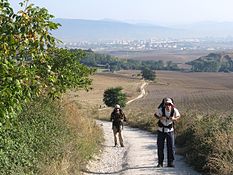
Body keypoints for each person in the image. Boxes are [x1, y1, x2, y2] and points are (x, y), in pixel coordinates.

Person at [154, 98, 181, 168]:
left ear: (172, 105)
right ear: (164, 105)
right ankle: (160, 163)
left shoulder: (174, 110)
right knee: (160, 147)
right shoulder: (161, 110)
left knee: (171, 147)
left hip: (170, 131)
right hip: (161, 131)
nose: (168, 106)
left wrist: (174, 119)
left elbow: (178, 116)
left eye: (169, 104)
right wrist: (160, 117)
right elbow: (155, 115)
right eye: (166, 104)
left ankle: (170, 163)